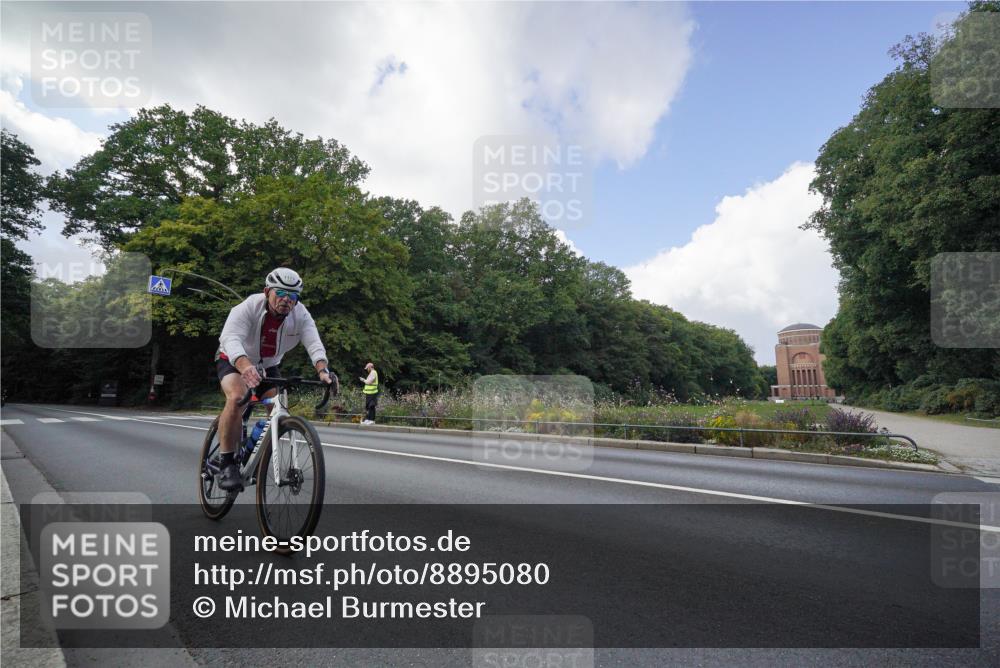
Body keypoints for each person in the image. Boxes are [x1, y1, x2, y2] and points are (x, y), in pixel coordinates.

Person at [214, 268, 338, 491]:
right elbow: (230, 338)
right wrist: (245, 366)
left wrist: (323, 371)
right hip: (233, 359)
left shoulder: (301, 315)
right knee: (237, 398)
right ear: (267, 292)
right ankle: (227, 463)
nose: (286, 300)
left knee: (279, 411)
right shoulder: (248, 307)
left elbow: (314, 344)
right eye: (280, 293)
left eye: (292, 296)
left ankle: (254, 451)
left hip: (268, 366)